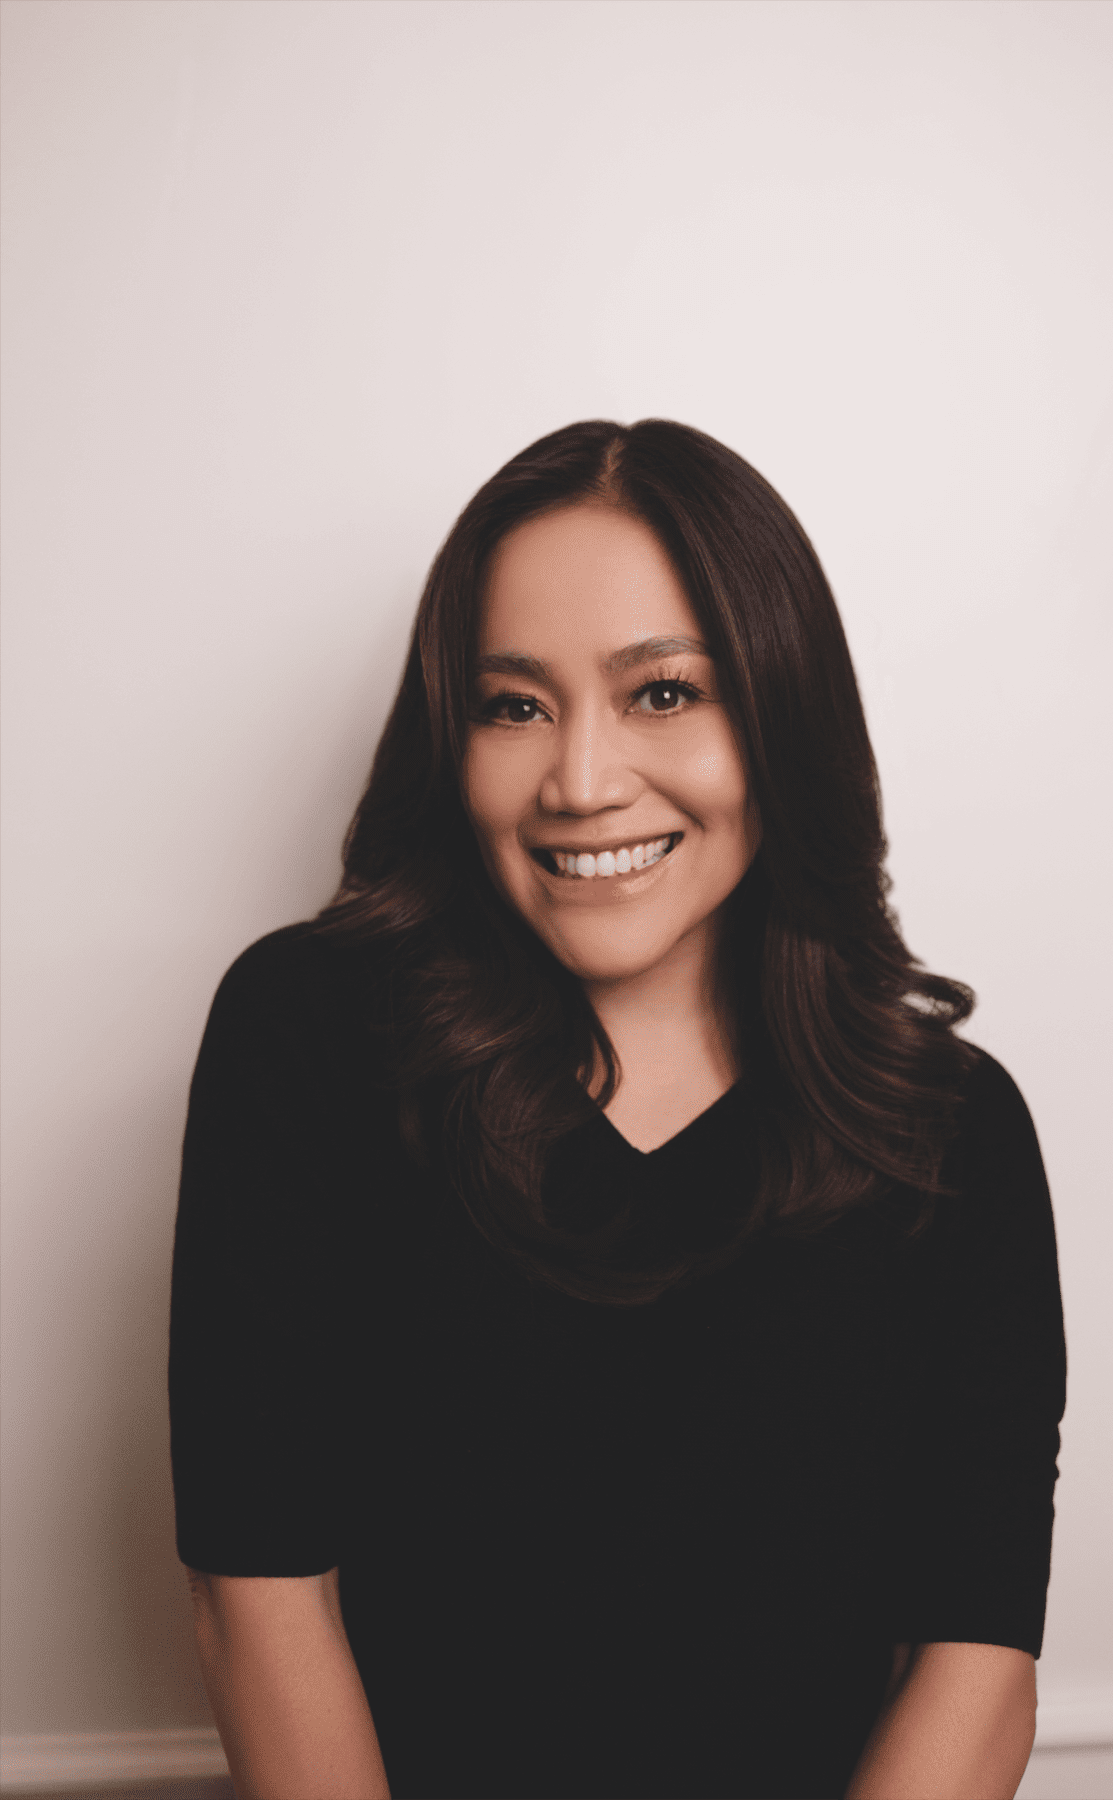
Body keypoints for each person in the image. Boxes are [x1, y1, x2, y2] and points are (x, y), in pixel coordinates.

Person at [168, 419, 1067, 1800]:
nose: (581, 782)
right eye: (513, 706)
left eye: (662, 692)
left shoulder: (950, 1128)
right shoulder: (308, 1038)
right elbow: (256, 1595)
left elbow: (977, 1656)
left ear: (779, 714)